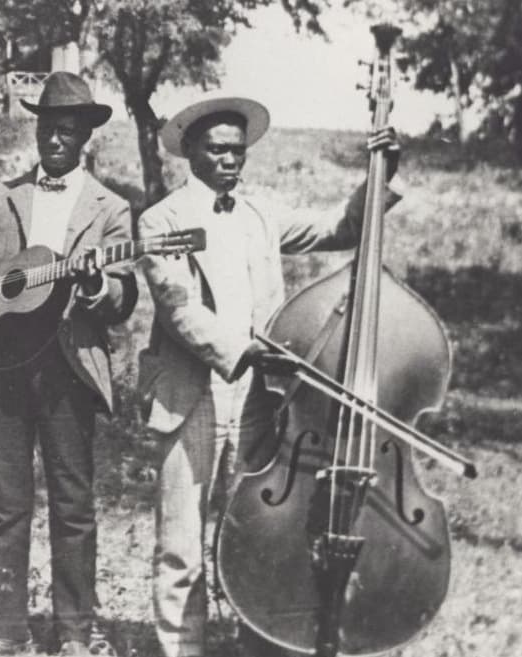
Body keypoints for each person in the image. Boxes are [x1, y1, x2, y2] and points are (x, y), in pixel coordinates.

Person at [136, 95, 403, 657]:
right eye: (218, 150)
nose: (232, 160)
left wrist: (381, 174)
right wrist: (248, 352)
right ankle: (181, 649)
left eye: (239, 151)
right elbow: (179, 309)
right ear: (191, 153)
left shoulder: (261, 213)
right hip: (192, 396)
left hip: (260, 401)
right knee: (181, 546)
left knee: (254, 535)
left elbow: (342, 226)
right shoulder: (160, 219)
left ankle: (253, 644)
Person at [0, 72, 137, 656]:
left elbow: (120, 295)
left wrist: (94, 286)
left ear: (85, 136)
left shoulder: (111, 209)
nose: (56, 140)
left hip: (69, 366)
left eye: (67, 131)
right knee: (6, 501)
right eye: (47, 128)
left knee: (73, 504)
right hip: (2, 368)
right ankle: (7, 628)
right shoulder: (2, 196)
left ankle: (73, 632)